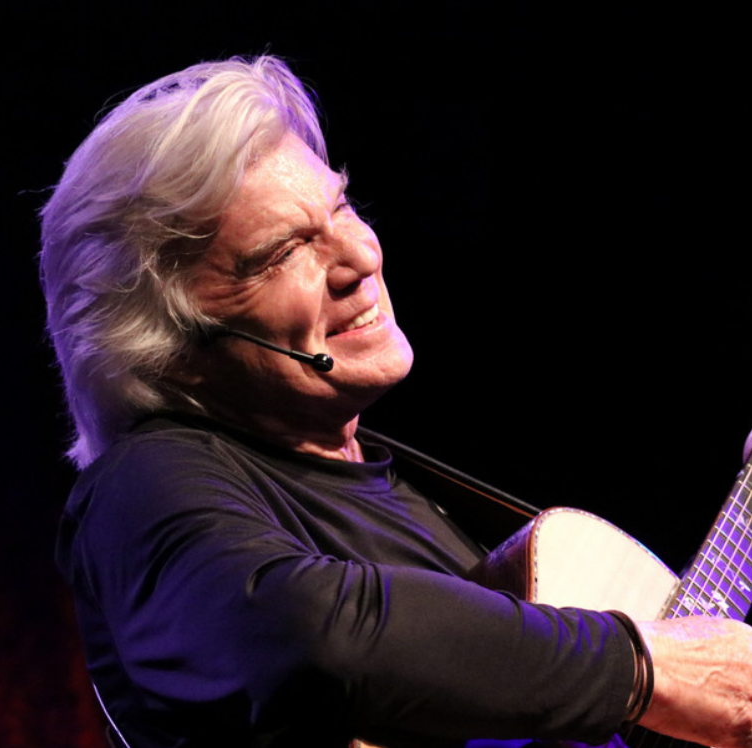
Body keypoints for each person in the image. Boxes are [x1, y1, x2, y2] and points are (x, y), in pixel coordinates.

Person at [40, 56, 752, 748]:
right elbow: (300, 633)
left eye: (341, 206)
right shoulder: (141, 484)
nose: (359, 259)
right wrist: (637, 668)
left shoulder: (426, 507)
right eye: (285, 251)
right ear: (172, 349)